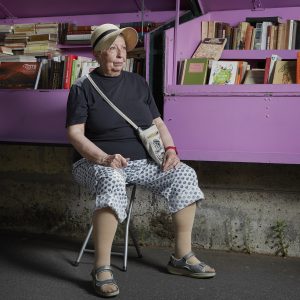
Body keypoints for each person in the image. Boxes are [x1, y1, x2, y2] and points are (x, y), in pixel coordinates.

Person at [66, 23, 216, 298]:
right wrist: (103, 158)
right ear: (99, 53)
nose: (121, 54)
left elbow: (157, 122)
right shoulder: (83, 88)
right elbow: (75, 134)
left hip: (142, 162)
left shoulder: (138, 83)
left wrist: (171, 149)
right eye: (113, 48)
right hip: (94, 163)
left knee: (184, 174)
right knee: (112, 179)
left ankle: (181, 257)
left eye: (124, 48)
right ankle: (101, 268)